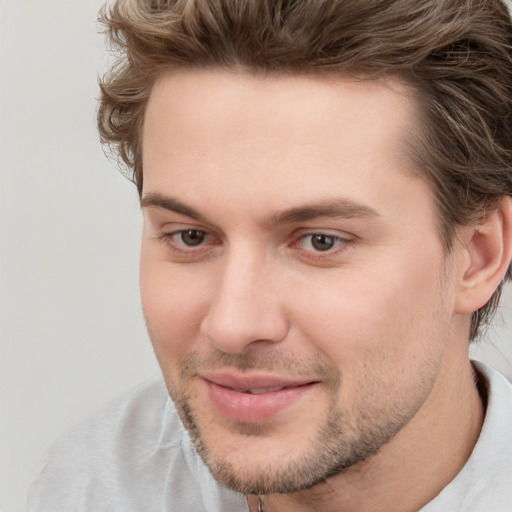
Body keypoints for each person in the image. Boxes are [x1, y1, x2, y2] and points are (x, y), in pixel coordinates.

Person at [26, 0, 512, 511]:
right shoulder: (95, 484)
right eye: (191, 236)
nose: (233, 325)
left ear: (478, 256)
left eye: (320, 241)